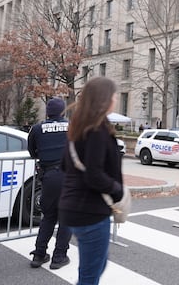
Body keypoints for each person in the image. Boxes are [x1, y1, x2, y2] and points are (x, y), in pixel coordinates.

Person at [59, 77, 124, 285]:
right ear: (105, 99)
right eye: (113, 95)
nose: (115, 99)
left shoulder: (79, 127)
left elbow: (64, 165)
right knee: (90, 276)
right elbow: (93, 175)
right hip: (90, 210)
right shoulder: (97, 130)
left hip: (75, 207)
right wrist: (117, 190)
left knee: (96, 266)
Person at [27, 98, 72, 269]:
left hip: (49, 177)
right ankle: (59, 257)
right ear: (63, 112)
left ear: (48, 112)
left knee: (49, 217)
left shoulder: (37, 128)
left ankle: (39, 255)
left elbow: (32, 152)